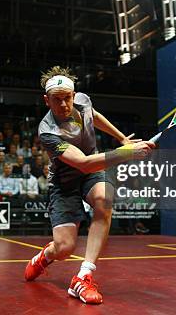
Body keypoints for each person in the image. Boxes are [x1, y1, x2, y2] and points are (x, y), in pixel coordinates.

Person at [23, 66, 155, 305]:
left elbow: (93, 115)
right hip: (64, 183)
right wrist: (126, 152)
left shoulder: (82, 101)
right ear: (46, 100)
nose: (63, 105)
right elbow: (83, 164)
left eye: (67, 98)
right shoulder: (47, 131)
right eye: (57, 100)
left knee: (105, 199)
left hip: (91, 173)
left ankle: (84, 275)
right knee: (64, 248)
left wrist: (122, 138)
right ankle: (45, 256)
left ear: (74, 95)